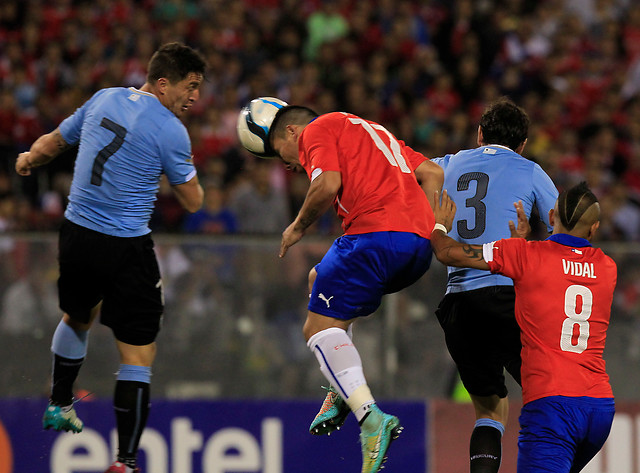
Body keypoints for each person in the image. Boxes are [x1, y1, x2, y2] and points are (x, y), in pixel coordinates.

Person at [15, 42, 206, 473]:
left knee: (77, 318)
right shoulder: (172, 130)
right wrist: (187, 168)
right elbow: (193, 201)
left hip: (76, 234)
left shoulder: (104, 97)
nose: (195, 97)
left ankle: (59, 402)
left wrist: (27, 159)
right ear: (162, 83)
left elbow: (53, 143)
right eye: (190, 86)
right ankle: (125, 462)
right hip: (124, 247)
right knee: (138, 355)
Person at [268, 104, 444, 473]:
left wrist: (298, 226)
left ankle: (371, 419)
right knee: (320, 282)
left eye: (278, 151)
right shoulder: (375, 133)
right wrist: (425, 226)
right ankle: (341, 391)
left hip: (374, 236)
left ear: (291, 132)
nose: (286, 164)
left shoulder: (318, 129)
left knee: (316, 329)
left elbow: (326, 183)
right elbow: (432, 172)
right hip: (416, 249)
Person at [430, 182, 616, 473]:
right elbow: (563, 278)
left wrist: (440, 225)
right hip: (599, 408)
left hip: (553, 406)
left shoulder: (525, 256)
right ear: (594, 230)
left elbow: (446, 252)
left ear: (551, 215)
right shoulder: (607, 267)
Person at [430, 98, 558, 473]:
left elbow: (411, 176)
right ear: (522, 144)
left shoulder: (448, 163)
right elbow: (564, 233)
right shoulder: (531, 171)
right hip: (509, 298)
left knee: (488, 410)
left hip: (459, 303)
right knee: (546, 399)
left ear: (480, 133)